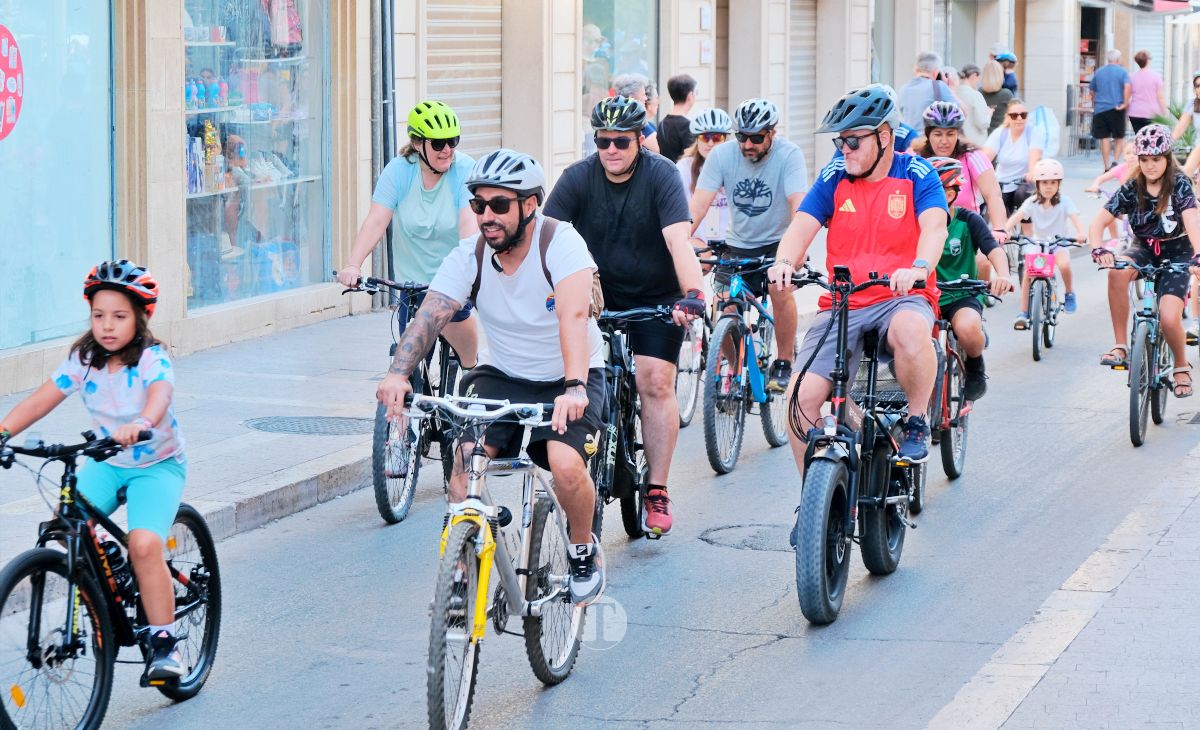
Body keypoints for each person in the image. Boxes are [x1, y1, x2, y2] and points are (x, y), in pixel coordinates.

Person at [375, 150, 608, 604]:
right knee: (465, 466)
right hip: (501, 372)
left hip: (568, 374)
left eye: (499, 205)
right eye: (478, 205)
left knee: (563, 465)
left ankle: (583, 548)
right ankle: (459, 578)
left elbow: (574, 316)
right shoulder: (471, 255)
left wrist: (575, 386)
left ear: (530, 204)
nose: (486, 216)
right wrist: (398, 373)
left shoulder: (561, 243)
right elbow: (432, 314)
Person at [0, 261, 188, 681]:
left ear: (140, 318)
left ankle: (164, 644)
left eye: (119, 316)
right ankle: (111, 570)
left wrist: (141, 423)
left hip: (156, 466)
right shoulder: (83, 359)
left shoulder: (151, 359)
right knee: (65, 528)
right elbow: (39, 401)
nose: (107, 325)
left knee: (143, 544)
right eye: (98, 315)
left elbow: (159, 397)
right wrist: (3, 431)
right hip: (105, 462)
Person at [766, 84, 949, 472]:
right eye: (840, 141)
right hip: (843, 301)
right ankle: (815, 505)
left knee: (911, 333)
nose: (843, 149)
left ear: (884, 136)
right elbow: (801, 228)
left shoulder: (917, 172)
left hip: (901, 295)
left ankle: (916, 422)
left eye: (852, 140)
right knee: (800, 401)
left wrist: (919, 268)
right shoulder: (835, 175)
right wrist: (784, 262)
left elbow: (935, 228)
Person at [544, 96, 705, 536]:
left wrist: (693, 293)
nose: (611, 149)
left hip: (656, 297)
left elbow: (678, 241)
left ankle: (656, 488)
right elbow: (545, 240)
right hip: (595, 297)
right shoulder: (577, 178)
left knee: (654, 381)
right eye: (603, 141)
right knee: (575, 377)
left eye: (621, 141)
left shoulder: (662, 175)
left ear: (639, 140)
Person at [336, 100, 479, 366]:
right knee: (406, 362)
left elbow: (468, 227)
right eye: (438, 143)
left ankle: (471, 380)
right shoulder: (399, 171)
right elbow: (376, 221)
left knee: (468, 362)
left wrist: (470, 271)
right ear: (417, 144)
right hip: (412, 285)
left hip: (452, 281)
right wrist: (353, 265)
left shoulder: (465, 169)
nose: (447, 150)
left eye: (452, 140)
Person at [687, 98, 807, 391]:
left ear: (772, 134)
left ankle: (784, 361)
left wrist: (794, 254)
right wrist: (679, 240)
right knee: (724, 304)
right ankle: (735, 369)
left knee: (780, 290)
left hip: (778, 244)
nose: (747, 144)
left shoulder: (789, 155)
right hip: (738, 244)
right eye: (742, 136)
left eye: (756, 138)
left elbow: (799, 207)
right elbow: (698, 206)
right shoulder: (722, 156)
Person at [1090, 125, 1200, 389]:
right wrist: (1098, 248)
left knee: (1170, 317)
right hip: (1143, 247)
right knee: (1116, 272)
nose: (1150, 166)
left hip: (1178, 251)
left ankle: (1180, 366)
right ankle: (1120, 346)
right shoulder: (1132, 186)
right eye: (1145, 160)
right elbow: (1098, 223)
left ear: (1167, 158)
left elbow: (1192, 219)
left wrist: (1198, 255)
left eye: (1156, 159)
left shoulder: (1180, 183)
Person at [928, 157, 1013, 400]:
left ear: (955, 192)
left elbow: (993, 249)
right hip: (924, 295)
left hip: (961, 293)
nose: (938, 196)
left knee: (967, 328)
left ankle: (975, 367)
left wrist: (1003, 275)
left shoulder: (968, 220)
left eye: (943, 191)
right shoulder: (916, 221)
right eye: (932, 190)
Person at [1004, 159, 1085, 329]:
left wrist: (1081, 233)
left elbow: (1075, 218)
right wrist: (1004, 231)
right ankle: (1023, 312)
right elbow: (1017, 216)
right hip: (1038, 243)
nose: (1049, 186)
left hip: (1058, 243)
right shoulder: (1032, 201)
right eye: (1045, 183)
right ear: (1038, 184)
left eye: (1053, 183)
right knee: (1028, 274)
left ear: (1059, 184)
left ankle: (1069, 293)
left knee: (1064, 265)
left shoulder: (1065, 201)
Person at [677, 108, 733, 241]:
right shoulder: (683, 168)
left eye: (717, 137)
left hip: (731, 245)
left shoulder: (735, 166)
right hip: (697, 241)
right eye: (704, 137)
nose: (710, 143)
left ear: (725, 139)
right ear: (697, 139)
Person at [983, 98, 1044, 218]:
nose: (1019, 118)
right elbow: (985, 157)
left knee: (1023, 196)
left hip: (1025, 181)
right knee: (996, 206)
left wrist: (1032, 172)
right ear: (1008, 117)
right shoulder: (1000, 133)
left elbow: (1034, 155)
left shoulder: (1033, 132)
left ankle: (1028, 233)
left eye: (1023, 115)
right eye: (1014, 115)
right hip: (1002, 181)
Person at [1085, 146, 1137, 248]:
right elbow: (1102, 178)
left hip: (1139, 205)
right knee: (1109, 214)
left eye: (1135, 153)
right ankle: (1115, 239)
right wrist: (1095, 185)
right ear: (1124, 156)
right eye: (1128, 153)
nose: (1131, 156)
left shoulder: (1142, 169)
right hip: (1125, 204)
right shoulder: (1121, 168)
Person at [1090, 49, 1132, 171]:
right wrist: (1125, 103)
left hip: (1100, 109)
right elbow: (1127, 87)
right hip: (1116, 108)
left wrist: (1096, 100)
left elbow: (1092, 91)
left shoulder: (1098, 72)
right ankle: (1115, 161)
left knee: (1104, 138)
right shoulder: (1123, 72)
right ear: (1118, 60)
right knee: (1119, 136)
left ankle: (1106, 165)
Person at [898, 51, 954, 130]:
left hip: (911, 140)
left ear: (915, 70)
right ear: (936, 72)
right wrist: (951, 89)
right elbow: (960, 114)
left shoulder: (903, 89)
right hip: (930, 140)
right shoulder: (939, 86)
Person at [612, 73, 660, 154]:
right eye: (643, 94)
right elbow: (658, 148)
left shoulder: (616, 118)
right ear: (631, 98)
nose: (645, 98)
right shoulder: (635, 121)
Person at [657, 74, 698, 162]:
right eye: (696, 92)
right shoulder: (689, 125)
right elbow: (692, 158)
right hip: (682, 174)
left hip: (665, 173)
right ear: (690, 95)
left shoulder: (662, 123)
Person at [1170, 71, 1200, 179]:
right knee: (1187, 173)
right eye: (1198, 85)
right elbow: (1180, 127)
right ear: (1195, 90)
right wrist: (1167, 143)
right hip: (1198, 148)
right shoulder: (1193, 104)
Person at [1128, 50, 1165, 135]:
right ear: (1148, 61)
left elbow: (1128, 95)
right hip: (1152, 114)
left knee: (1140, 139)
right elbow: (1160, 97)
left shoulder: (1131, 77)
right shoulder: (1156, 77)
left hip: (1135, 113)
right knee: (1152, 140)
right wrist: (1164, 112)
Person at [956, 64, 991, 146]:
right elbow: (983, 123)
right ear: (974, 76)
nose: (979, 82)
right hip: (975, 144)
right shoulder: (975, 95)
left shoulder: (953, 94)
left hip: (958, 142)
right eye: (979, 78)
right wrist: (989, 114)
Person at [979, 60, 1014, 135]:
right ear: (1000, 75)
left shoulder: (978, 93)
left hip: (982, 138)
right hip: (1002, 137)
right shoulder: (1006, 94)